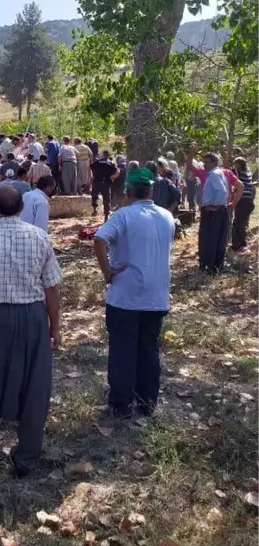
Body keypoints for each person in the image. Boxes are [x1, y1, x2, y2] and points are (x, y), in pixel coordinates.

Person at [0, 186, 63, 477]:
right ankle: (26, 459)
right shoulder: (39, 236)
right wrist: (55, 327)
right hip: (32, 316)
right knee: (34, 386)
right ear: (21, 208)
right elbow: (52, 287)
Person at [93, 167, 175, 418]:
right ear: (151, 191)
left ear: (128, 192)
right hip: (156, 295)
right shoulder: (167, 216)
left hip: (125, 296)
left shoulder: (122, 216)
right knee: (148, 349)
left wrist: (107, 272)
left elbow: (99, 239)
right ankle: (147, 401)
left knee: (122, 349)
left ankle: (121, 404)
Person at [186, 150, 242, 274]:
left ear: (214, 163)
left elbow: (222, 192)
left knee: (210, 239)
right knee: (216, 238)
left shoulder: (214, 175)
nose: (204, 164)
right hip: (216, 210)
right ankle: (215, 265)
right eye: (204, 162)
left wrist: (215, 206)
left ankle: (210, 266)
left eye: (207, 162)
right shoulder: (218, 173)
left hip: (213, 212)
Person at [231, 156, 255, 252]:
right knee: (239, 223)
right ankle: (237, 243)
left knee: (239, 223)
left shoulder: (239, 172)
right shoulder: (247, 173)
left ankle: (241, 244)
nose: (234, 165)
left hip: (243, 201)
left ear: (239, 164)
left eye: (235, 163)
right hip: (248, 201)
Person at [91, 150, 118, 221]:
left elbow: (89, 167)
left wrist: (90, 178)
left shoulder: (97, 162)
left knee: (94, 196)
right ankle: (106, 217)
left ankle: (95, 209)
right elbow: (118, 171)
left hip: (96, 182)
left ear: (103, 155)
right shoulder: (111, 163)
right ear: (108, 156)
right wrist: (113, 178)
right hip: (106, 183)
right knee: (106, 200)